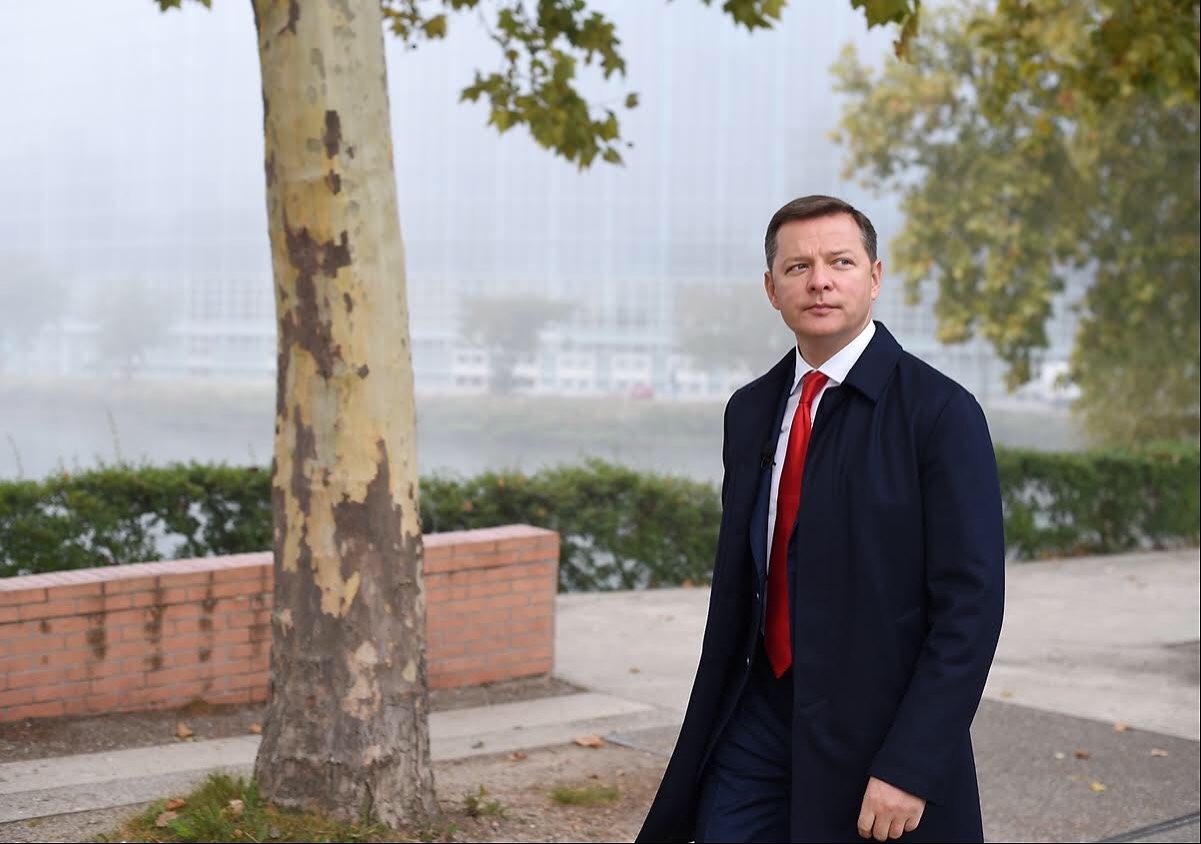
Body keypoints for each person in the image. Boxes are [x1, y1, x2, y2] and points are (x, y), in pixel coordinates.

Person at [637, 195, 1005, 843]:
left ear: (875, 277)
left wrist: (912, 763)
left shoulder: (940, 414)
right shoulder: (749, 411)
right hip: (755, 712)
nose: (819, 281)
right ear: (771, 289)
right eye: (797, 267)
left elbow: (969, 609)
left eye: (840, 262)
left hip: (876, 726)